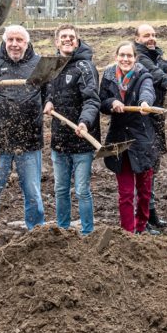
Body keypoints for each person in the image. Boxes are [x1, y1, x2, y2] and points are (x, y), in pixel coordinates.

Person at [0, 25, 47, 248]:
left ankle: (36, 231)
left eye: (20, 40)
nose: (15, 44)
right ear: (4, 41)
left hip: (29, 138)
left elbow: (46, 95)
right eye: (11, 39)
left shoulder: (39, 64)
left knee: (32, 190)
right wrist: (1, 115)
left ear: (27, 42)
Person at [43, 24, 100, 235]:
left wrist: (84, 121)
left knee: (82, 191)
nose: (68, 40)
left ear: (77, 41)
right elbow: (47, 90)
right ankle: (63, 230)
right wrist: (48, 101)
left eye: (72, 37)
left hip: (82, 138)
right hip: (59, 139)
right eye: (63, 37)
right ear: (56, 42)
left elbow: (92, 100)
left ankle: (87, 233)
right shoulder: (52, 66)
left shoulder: (85, 67)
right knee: (60, 189)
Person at [100, 41, 158, 233]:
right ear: (116, 57)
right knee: (125, 193)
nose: (125, 59)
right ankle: (128, 232)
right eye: (122, 55)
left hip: (141, 140)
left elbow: (148, 92)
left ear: (135, 58)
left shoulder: (143, 76)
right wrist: (112, 102)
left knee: (144, 191)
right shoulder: (108, 76)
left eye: (129, 56)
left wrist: (144, 103)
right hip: (119, 141)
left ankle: (141, 226)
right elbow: (102, 101)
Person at [134, 24, 167, 229]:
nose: (151, 38)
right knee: (144, 169)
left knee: (152, 169)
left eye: (153, 35)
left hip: (156, 118)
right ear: (137, 38)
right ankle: (143, 216)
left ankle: (151, 213)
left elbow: (161, 65)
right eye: (146, 35)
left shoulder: (152, 54)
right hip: (144, 121)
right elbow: (155, 74)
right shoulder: (140, 58)